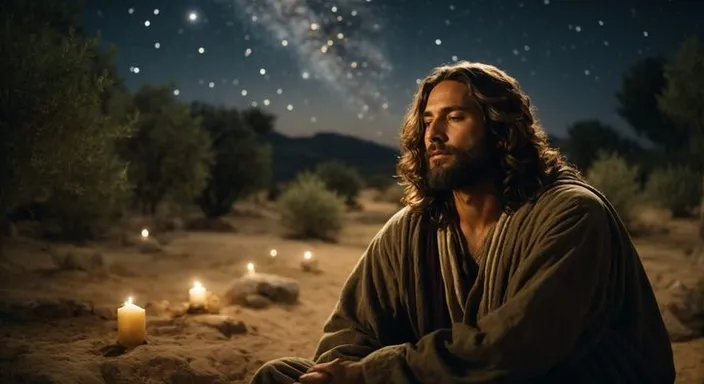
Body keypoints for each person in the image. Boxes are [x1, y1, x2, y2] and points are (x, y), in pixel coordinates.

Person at [249, 61, 676, 384]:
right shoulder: (413, 227)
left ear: (499, 128)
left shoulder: (570, 214)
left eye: (454, 117)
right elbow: (351, 329)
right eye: (428, 120)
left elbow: (515, 349)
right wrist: (341, 372)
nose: (434, 134)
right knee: (280, 374)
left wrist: (370, 374)